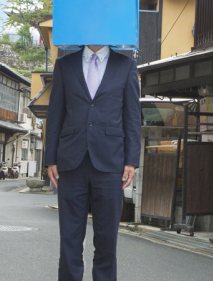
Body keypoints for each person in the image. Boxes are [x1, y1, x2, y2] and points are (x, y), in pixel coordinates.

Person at [45, 45, 141, 281]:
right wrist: (50, 159)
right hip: (70, 161)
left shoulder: (126, 65)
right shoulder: (64, 65)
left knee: (107, 239)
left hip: (111, 162)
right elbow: (55, 114)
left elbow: (132, 116)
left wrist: (131, 161)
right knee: (69, 237)